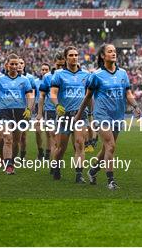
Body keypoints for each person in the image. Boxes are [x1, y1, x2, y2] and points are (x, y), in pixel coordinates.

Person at [75, 44, 142, 190]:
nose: (113, 53)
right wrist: (79, 114)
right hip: (102, 115)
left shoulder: (123, 73)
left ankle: (92, 171)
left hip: (118, 115)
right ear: (102, 56)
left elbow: (128, 93)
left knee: (107, 148)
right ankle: (111, 181)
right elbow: (87, 97)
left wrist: (135, 106)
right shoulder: (96, 75)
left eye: (114, 51)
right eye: (110, 51)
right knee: (111, 146)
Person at [0, 54, 34, 174]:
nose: (14, 66)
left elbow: (30, 96)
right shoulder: (0, 79)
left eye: (16, 64)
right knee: (7, 138)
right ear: (7, 65)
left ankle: (11, 160)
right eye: (12, 64)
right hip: (4, 112)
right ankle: (9, 165)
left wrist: (28, 108)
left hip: (20, 112)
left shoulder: (25, 80)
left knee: (16, 141)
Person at [50, 46, 91, 183]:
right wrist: (57, 105)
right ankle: (56, 167)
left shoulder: (86, 75)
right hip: (65, 115)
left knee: (80, 144)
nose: (74, 57)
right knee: (61, 148)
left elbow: (89, 96)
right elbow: (53, 93)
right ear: (66, 58)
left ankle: (79, 175)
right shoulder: (59, 74)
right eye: (71, 55)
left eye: (76, 55)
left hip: (80, 115)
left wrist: (92, 113)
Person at [37, 55, 65, 161]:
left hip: (64, 111)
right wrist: (39, 114)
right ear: (54, 63)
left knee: (60, 141)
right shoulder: (47, 77)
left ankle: (56, 160)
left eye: (63, 65)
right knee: (53, 137)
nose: (60, 67)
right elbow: (42, 96)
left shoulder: (68, 76)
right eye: (58, 65)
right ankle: (54, 165)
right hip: (50, 111)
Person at [17, 58, 36, 160]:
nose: (19, 65)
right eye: (18, 63)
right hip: (13, 108)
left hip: (25, 109)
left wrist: (30, 108)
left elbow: (32, 94)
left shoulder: (29, 78)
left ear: (24, 65)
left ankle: (22, 156)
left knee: (23, 135)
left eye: (21, 63)